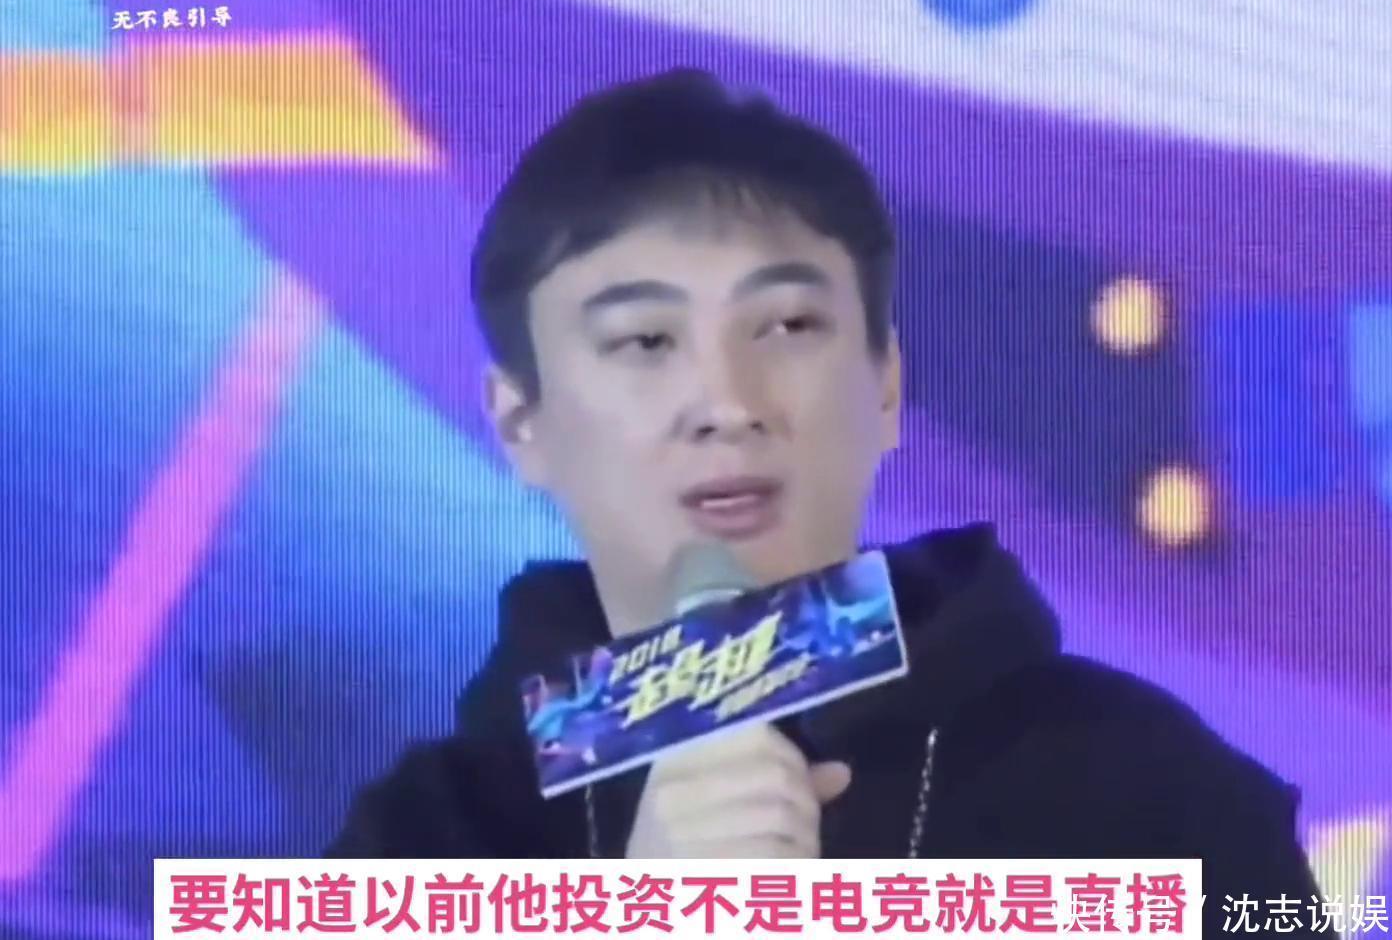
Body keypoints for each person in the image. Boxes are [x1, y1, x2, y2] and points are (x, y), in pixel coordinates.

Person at [328, 68, 1333, 934]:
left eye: (787, 326)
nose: (727, 403)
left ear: (886, 388)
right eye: (644, 341)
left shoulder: (1148, 796)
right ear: (522, 424)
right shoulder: (424, 850)